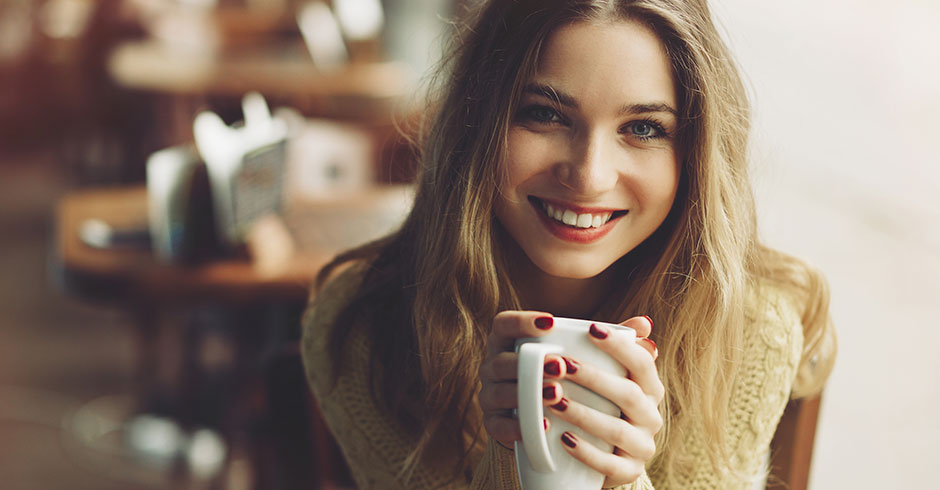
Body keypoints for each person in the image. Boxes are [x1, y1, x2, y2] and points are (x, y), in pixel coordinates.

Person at [301, 0, 837, 488]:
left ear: (694, 154)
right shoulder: (364, 324)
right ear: (477, 121)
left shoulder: (750, 326)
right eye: (545, 114)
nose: (589, 176)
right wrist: (512, 455)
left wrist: (622, 477)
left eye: (645, 128)